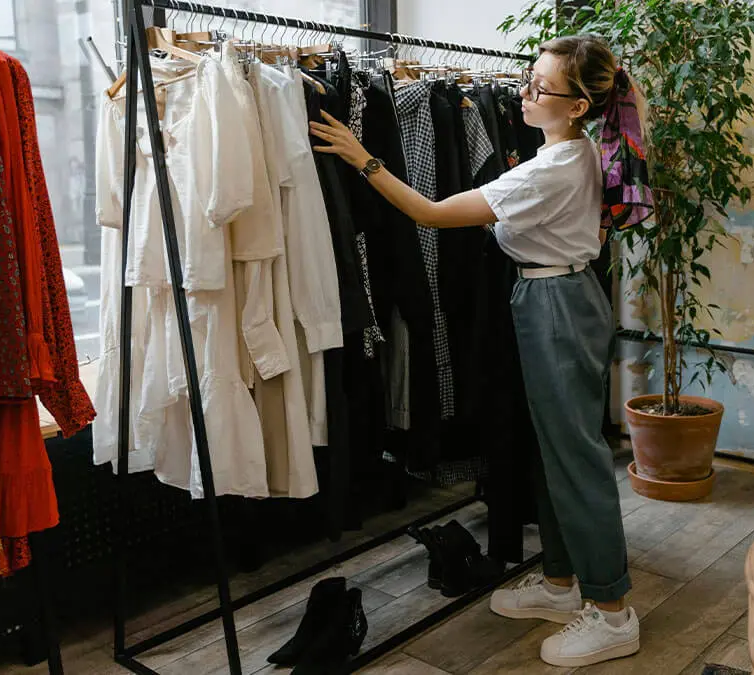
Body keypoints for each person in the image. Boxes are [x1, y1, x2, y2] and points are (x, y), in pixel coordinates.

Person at [311, 34, 648, 668]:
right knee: (553, 452)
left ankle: (612, 612)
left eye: (541, 87)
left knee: (574, 457)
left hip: (557, 306)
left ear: (577, 107)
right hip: (550, 298)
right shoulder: (562, 156)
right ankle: (560, 582)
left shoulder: (556, 166)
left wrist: (363, 157)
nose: (525, 92)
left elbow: (431, 213)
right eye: (529, 78)